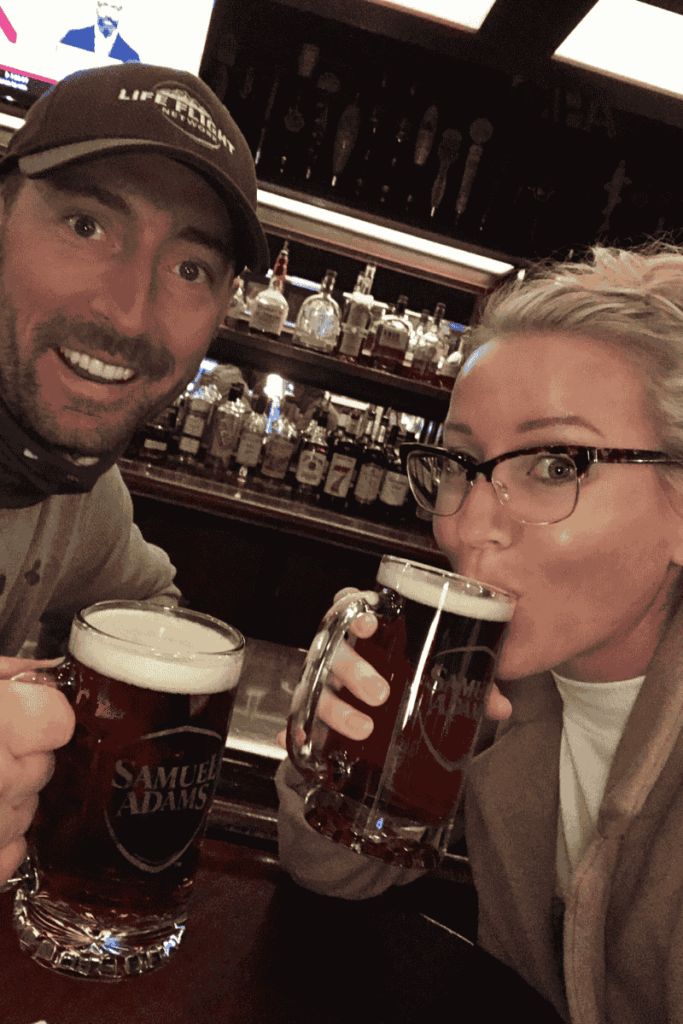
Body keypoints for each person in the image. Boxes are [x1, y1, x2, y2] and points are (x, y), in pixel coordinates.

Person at [276, 243, 683, 1024]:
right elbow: (334, 873)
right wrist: (343, 759)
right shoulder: (498, 692)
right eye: (460, 464)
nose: (465, 523)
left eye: (557, 464)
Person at [0, 62, 269, 890]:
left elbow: (149, 611)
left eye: (190, 269)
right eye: (86, 224)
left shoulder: (81, 494)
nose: (127, 312)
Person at [61, 1, 140, 63]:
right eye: (104, 5)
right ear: (97, 8)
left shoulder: (131, 58)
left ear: (122, 13)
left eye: (116, 8)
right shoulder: (71, 38)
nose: (109, 14)